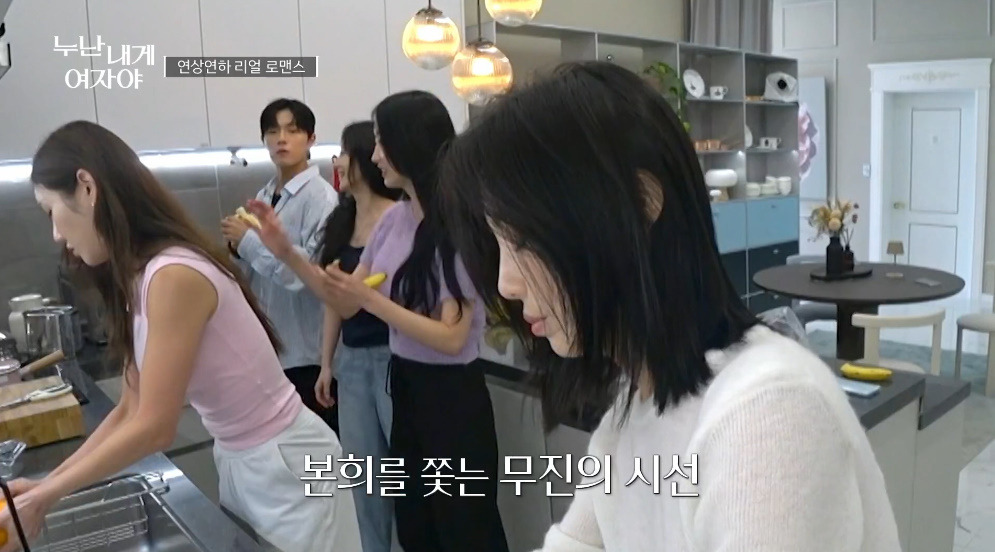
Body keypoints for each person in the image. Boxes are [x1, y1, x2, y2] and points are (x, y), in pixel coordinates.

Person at [438, 61, 903, 552]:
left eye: (524, 240)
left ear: (641, 202)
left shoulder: (768, 412)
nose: (506, 283)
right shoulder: (633, 409)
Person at [0, 121, 361, 552]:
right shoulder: (142, 275)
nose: (56, 234)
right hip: (246, 460)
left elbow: (154, 427)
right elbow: (130, 407)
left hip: (287, 461)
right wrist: (44, 488)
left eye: (50, 212)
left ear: (87, 188)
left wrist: (47, 497)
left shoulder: (173, 275)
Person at [276, 91, 509, 551]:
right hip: (404, 386)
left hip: (452, 397)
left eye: (382, 141)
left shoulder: (457, 224)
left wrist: (371, 300)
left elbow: (452, 337)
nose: (376, 155)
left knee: (465, 531)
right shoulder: (394, 220)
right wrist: (286, 253)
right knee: (417, 527)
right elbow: (346, 302)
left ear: (409, 144)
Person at [244, 120, 402, 552]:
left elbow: (344, 297)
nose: (338, 161)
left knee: (403, 482)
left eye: (344, 153)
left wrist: (283, 252)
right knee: (364, 481)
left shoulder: (397, 221)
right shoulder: (342, 218)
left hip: (393, 359)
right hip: (352, 361)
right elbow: (334, 300)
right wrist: (327, 361)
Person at [221, 98, 338, 431]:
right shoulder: (265, 194)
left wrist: (248, 242)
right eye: (272, 132)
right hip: (274, 350)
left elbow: (306, 274)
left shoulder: (322, 198)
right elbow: (258, 272)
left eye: (292, 130)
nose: (281, 139)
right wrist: (237, 249)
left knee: (320, 448)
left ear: (311, 139)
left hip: (309, 353)